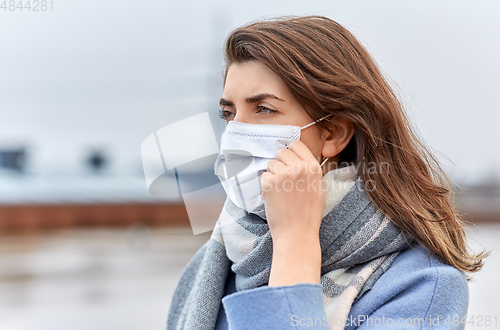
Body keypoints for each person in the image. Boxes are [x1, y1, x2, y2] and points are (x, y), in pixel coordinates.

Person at [166, 15, 487, 330]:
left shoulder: (420, 286)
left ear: (333, 133)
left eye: (264, 109)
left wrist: (295, 241)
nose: (235, 133)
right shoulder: (215, 265)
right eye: (229, 113)